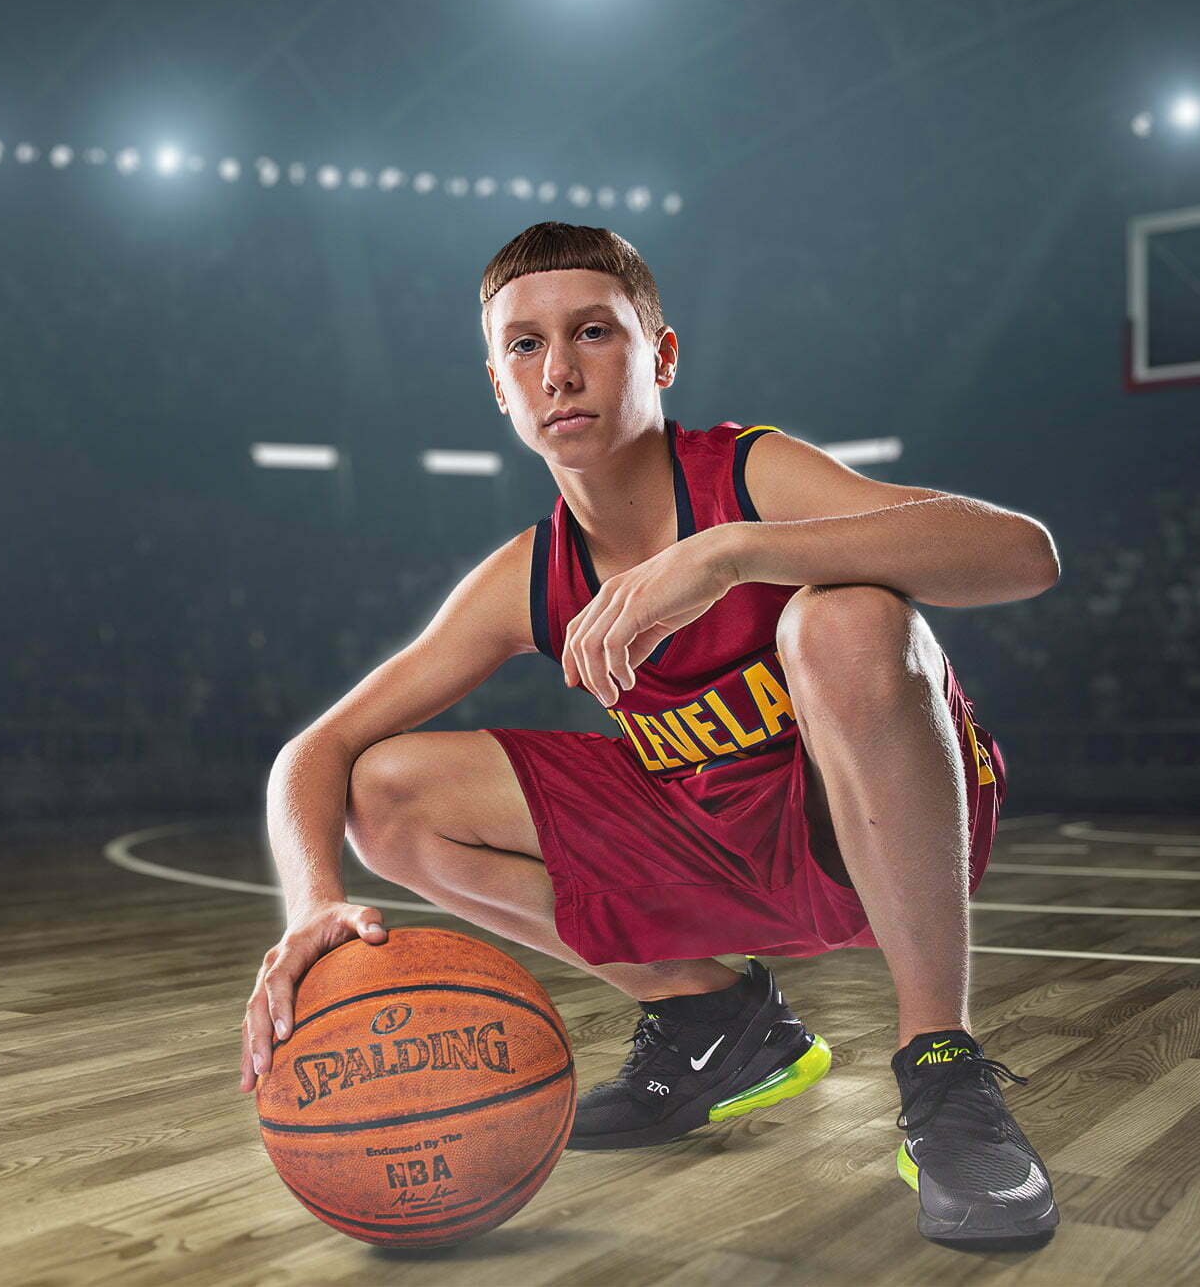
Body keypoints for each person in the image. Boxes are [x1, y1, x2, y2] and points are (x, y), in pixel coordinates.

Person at [240, 223, 1062, 1245]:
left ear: (660, 354)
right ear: (498, 384)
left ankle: (943, 1069)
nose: (561, 370)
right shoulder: (527, 576)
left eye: (593, 331)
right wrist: (312, 908)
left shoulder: (749, 478)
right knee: (383, 789)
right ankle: (716, 1022)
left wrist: (731, 556)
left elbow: (1023, 555)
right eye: (525, 347)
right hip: (713, 843)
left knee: (844, 618)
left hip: (877, 835)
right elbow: (313, 754)